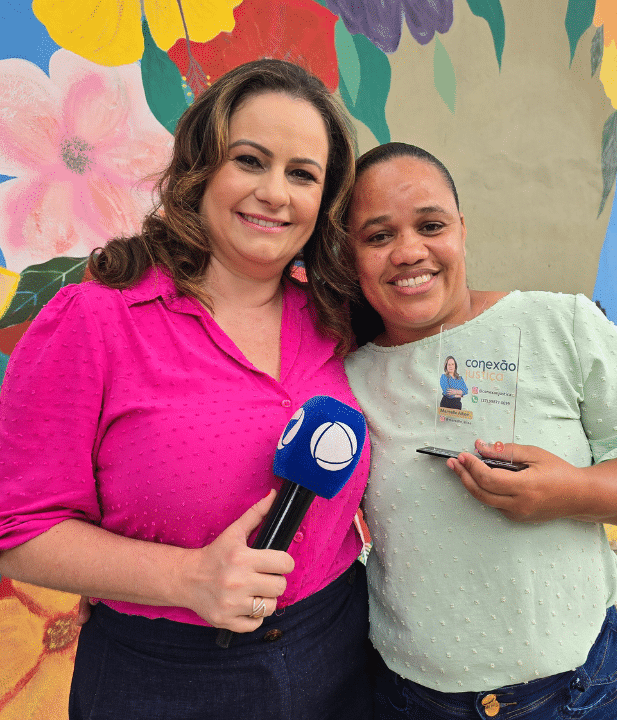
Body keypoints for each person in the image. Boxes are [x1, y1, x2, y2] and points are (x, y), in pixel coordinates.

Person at [0, 60, 372, 719]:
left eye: (302, 174)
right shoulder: (95, 321)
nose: (276, 194)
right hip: (163, 678)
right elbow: (19, 526)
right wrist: (186, 578)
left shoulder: (337, 318)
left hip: (340, 650)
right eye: (250, 161)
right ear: (200, 170)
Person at [342, 142, 617, 719]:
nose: (409, 251)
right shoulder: (345, 377)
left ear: (462, 229)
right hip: (411, 699)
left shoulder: (559, 325)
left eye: (430, 225)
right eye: (378, 236)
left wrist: (574, 493)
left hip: (580, 694)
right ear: (348, 253)